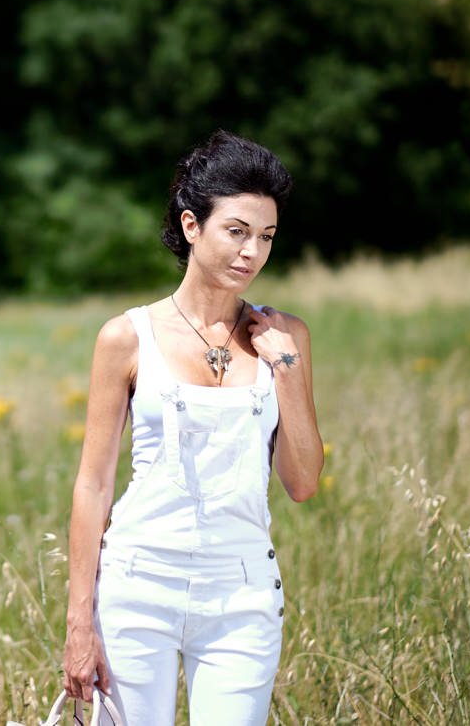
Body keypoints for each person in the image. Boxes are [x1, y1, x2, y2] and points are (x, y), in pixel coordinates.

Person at [61, 130, 324, 725]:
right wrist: (80, 622)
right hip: (137, 583)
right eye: (237, 230)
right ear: (190, 226)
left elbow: (304, 482)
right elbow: (92, 485)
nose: (252, 252)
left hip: (242, 592)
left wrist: (285, 368)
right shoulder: (127, 337)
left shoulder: (287, 338)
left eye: (266, 237)